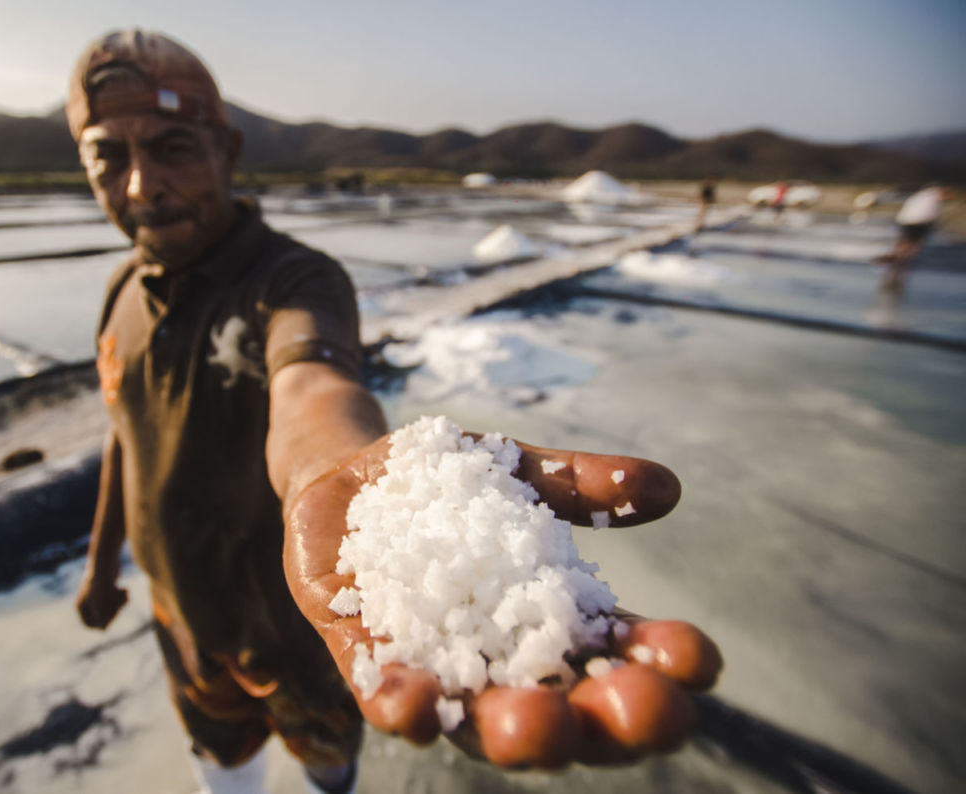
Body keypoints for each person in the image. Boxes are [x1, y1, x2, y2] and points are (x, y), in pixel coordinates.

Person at [68, 29, 722, 794]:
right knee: (222, 765)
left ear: (227, 148)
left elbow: (311, 388)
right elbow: (127, 434)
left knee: (324, 773)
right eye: (108, 156)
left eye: (173, 147)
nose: (142, 184)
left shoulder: (293, 282)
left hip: (297, 633)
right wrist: (101, 561)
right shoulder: (120, 293)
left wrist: (339, 469)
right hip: (183, 619)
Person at [875, 184, 944, 296]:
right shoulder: (933, 196)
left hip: (906, 220)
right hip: (920, 222)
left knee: (904, 241)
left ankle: (896, 258)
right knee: (913, 243)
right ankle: (903, 260)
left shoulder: (921, 195)